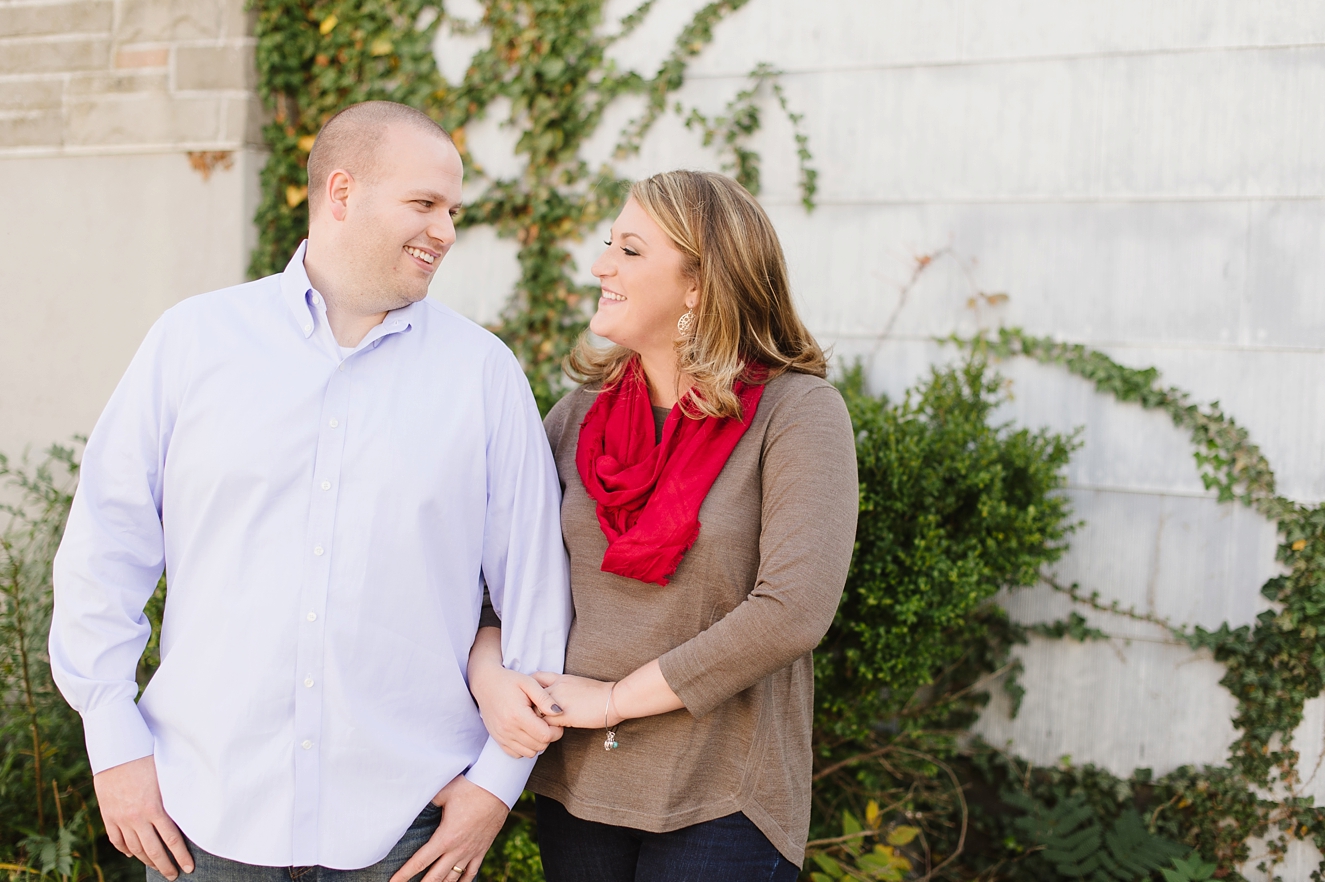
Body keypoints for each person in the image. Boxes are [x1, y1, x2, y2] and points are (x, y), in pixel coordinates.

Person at [48, 101, 571, 882]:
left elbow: (534, 593)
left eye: (453, 210)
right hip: (201, 818)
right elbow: (104, 550)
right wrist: (112, 741)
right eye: (424, 204)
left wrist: (495, 788)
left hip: (406, 831)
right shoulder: (193, 343)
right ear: (341, 192)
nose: (447, 231)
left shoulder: (482, 375)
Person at [467, 170, 859, 881]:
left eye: (630, 250)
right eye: (607, 244)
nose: (600, 265)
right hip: (576, 783)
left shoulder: (795, 414)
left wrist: (614, 700)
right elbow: (494, 581)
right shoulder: (578, 415)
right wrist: (491, 677)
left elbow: (792, 611)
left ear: (699, 286)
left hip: (720, 793)